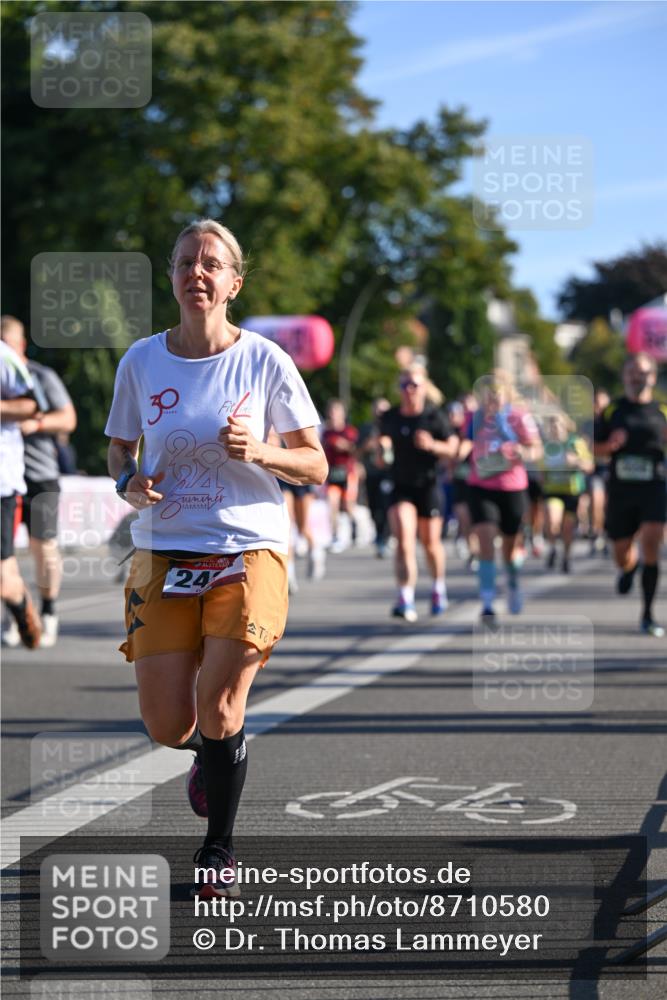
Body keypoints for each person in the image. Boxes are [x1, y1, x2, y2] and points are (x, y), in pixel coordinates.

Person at [104, 219, 327, 897]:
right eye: (184, 263)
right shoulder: (141, 360)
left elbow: (314, 464)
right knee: (170, 723)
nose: (196, 274)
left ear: (234, 281)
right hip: (162, 553)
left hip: (246, 548)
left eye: (211, 264)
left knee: (222, 704)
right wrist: (127, 481)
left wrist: (260, 451)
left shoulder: (263, 360)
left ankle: (218, 849)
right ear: (171, 277)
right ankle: (214, 754)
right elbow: (119, 447)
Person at [1, 316, 77, 647]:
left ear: (20, 345)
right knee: (8, 557)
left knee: (42, 545)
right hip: (12, 477)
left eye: (10, 343)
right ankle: (16, 615)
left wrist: (38, 423)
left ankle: (48, 610)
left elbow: (68, 418)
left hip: (41, 475)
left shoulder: (41, 376)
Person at [594, 353, 667, 636]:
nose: (638, 377)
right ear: (625, 376)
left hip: (654, 486)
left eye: (644, 372)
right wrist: (609, 446)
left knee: (652, 540)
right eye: (633, 372)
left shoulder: (662, 410)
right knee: (622, 552)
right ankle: (627, 569)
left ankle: (648, 613)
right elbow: (593, 447)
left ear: (653, 375)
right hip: (621, 490)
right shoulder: (612, 410)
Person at [379, 362, 458, 621]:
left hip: (428, 485)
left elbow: (453, 448)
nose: (409, 390)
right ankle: (405, 597)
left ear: (424, 387)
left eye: (414, 384)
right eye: (404, 385)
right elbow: (381, 461)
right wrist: (382, 450)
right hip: (400, 485)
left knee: (430, 544)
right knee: (403, 539)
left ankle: (438, 588)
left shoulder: (434, 416)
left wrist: (433, 445)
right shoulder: (389, 417)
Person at [467, 370, 543, 622]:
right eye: (488, 395)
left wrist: (522, 451)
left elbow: (536, 449)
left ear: (506, 394)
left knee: (510, 549)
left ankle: (512, 581)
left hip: (512, 488)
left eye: (496, 394)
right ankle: (487, 601)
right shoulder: (475, 418)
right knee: (486, 541)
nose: (492, 400)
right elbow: (462, 442)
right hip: (481, 486)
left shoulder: (518, 417)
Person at [0, 340, 42, 649]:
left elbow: (31, 405)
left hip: (1, 484)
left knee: (3, 580)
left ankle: (19, 600)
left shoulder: (3, 355)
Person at [541, 412, 593, 573]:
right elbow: (541, 468)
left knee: (567, 527)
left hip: (572, 491)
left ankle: (566, 556)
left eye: (557, 423)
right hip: (552, 490)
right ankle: (552, 547)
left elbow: (589, 465)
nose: (555, 427)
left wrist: (576, 461)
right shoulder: (546, 445)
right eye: (551, 424)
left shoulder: (575, 443)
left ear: (565, 425)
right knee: (551, 519)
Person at [321, 399, 359, 553]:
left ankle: (354, 526)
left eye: (337, 412)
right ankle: (335, 536)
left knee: (348, 505)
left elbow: (356, 450)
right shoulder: (326, 432)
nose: (334, 415)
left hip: (347, 472)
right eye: (332, 412)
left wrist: (345, 445)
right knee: (332, 503)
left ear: (343, 414)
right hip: (332, 472)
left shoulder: (349, 431)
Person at [357, 398, 393, 558]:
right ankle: (379, 535)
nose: (381, 413)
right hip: (371, 473)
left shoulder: (393, 426)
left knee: (386, 505)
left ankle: (384, 538)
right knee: (373, 506)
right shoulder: (367, 429)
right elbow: (356, 451)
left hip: (389, 473)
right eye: (378, 409)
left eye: (384, 409)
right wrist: (367, 445)